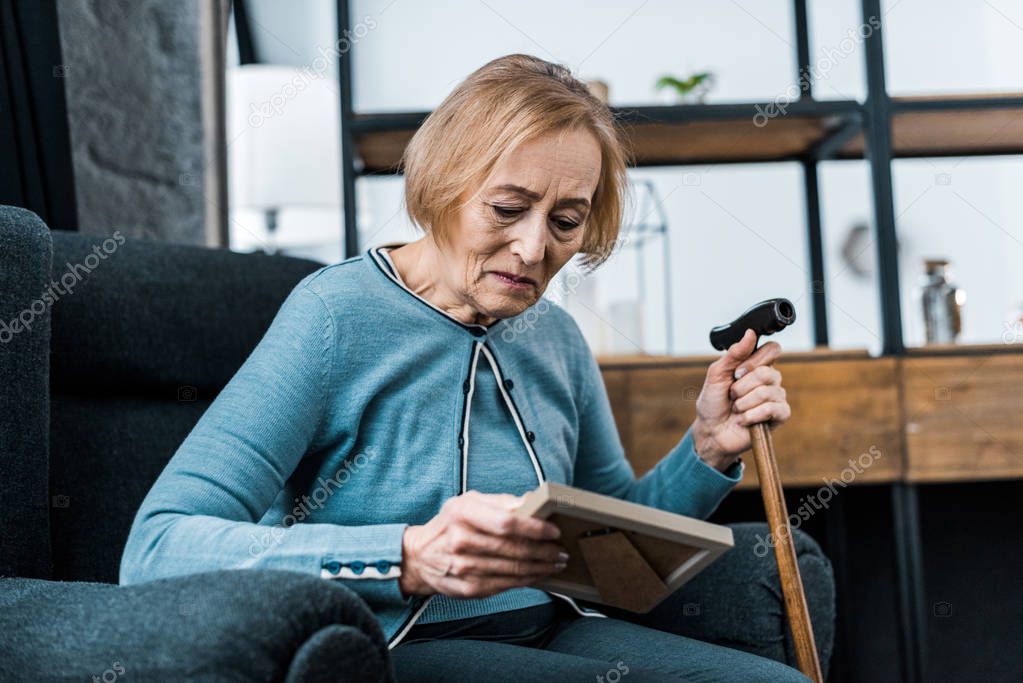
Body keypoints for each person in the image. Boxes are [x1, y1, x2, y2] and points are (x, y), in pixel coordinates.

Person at [120, 53, 833, 682]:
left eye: (564, 221)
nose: (530, 249)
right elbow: (158, 545)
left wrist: (704, 447)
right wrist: (405, 554)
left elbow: (618, 548)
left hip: (556, 626)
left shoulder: (553, 335)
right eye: (506, 207)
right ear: (442, 184)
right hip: (394, 640)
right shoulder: (334, 316)